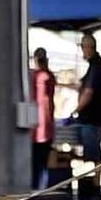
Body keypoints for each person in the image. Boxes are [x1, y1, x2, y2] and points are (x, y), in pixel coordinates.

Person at [75, 35, 101, 200]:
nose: (82, 50)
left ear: (89, 47)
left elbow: (88, 92)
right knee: (93, 155)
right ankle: (93, 188)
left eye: (83, 47)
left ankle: (93, 190)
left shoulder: (96, 67)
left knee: (91, 156)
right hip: (96, 118)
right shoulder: (96, 66)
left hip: (92, 118)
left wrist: (76, 111)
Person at [31, 47, 56, 189]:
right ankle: (41, 190)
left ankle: (35, 189)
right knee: (43, 164)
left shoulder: (34, 76)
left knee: (34, 164)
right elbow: (49, 103)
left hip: (33, 127)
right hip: (45, 126)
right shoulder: (48, 76)